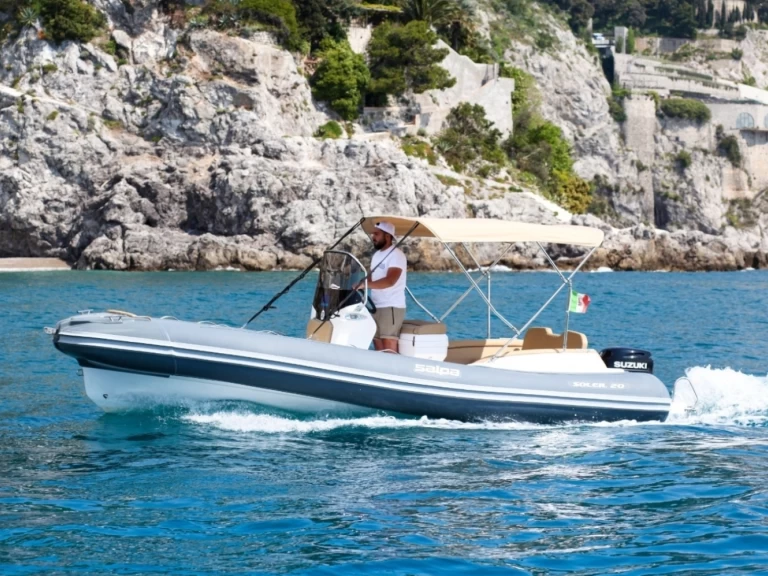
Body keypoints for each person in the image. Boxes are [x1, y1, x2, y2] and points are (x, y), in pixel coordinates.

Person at [363, 221, 407, 353]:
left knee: (388, 343)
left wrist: (364, 285)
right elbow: (370, 278)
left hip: (391, 306)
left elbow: (390, 281)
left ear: (387, 236)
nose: (373, 237)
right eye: (372, 234)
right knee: (377, 342)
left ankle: (395, 372)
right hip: (375, 305)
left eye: (376, 234)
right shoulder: (376, 255)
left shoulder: (396, 255)